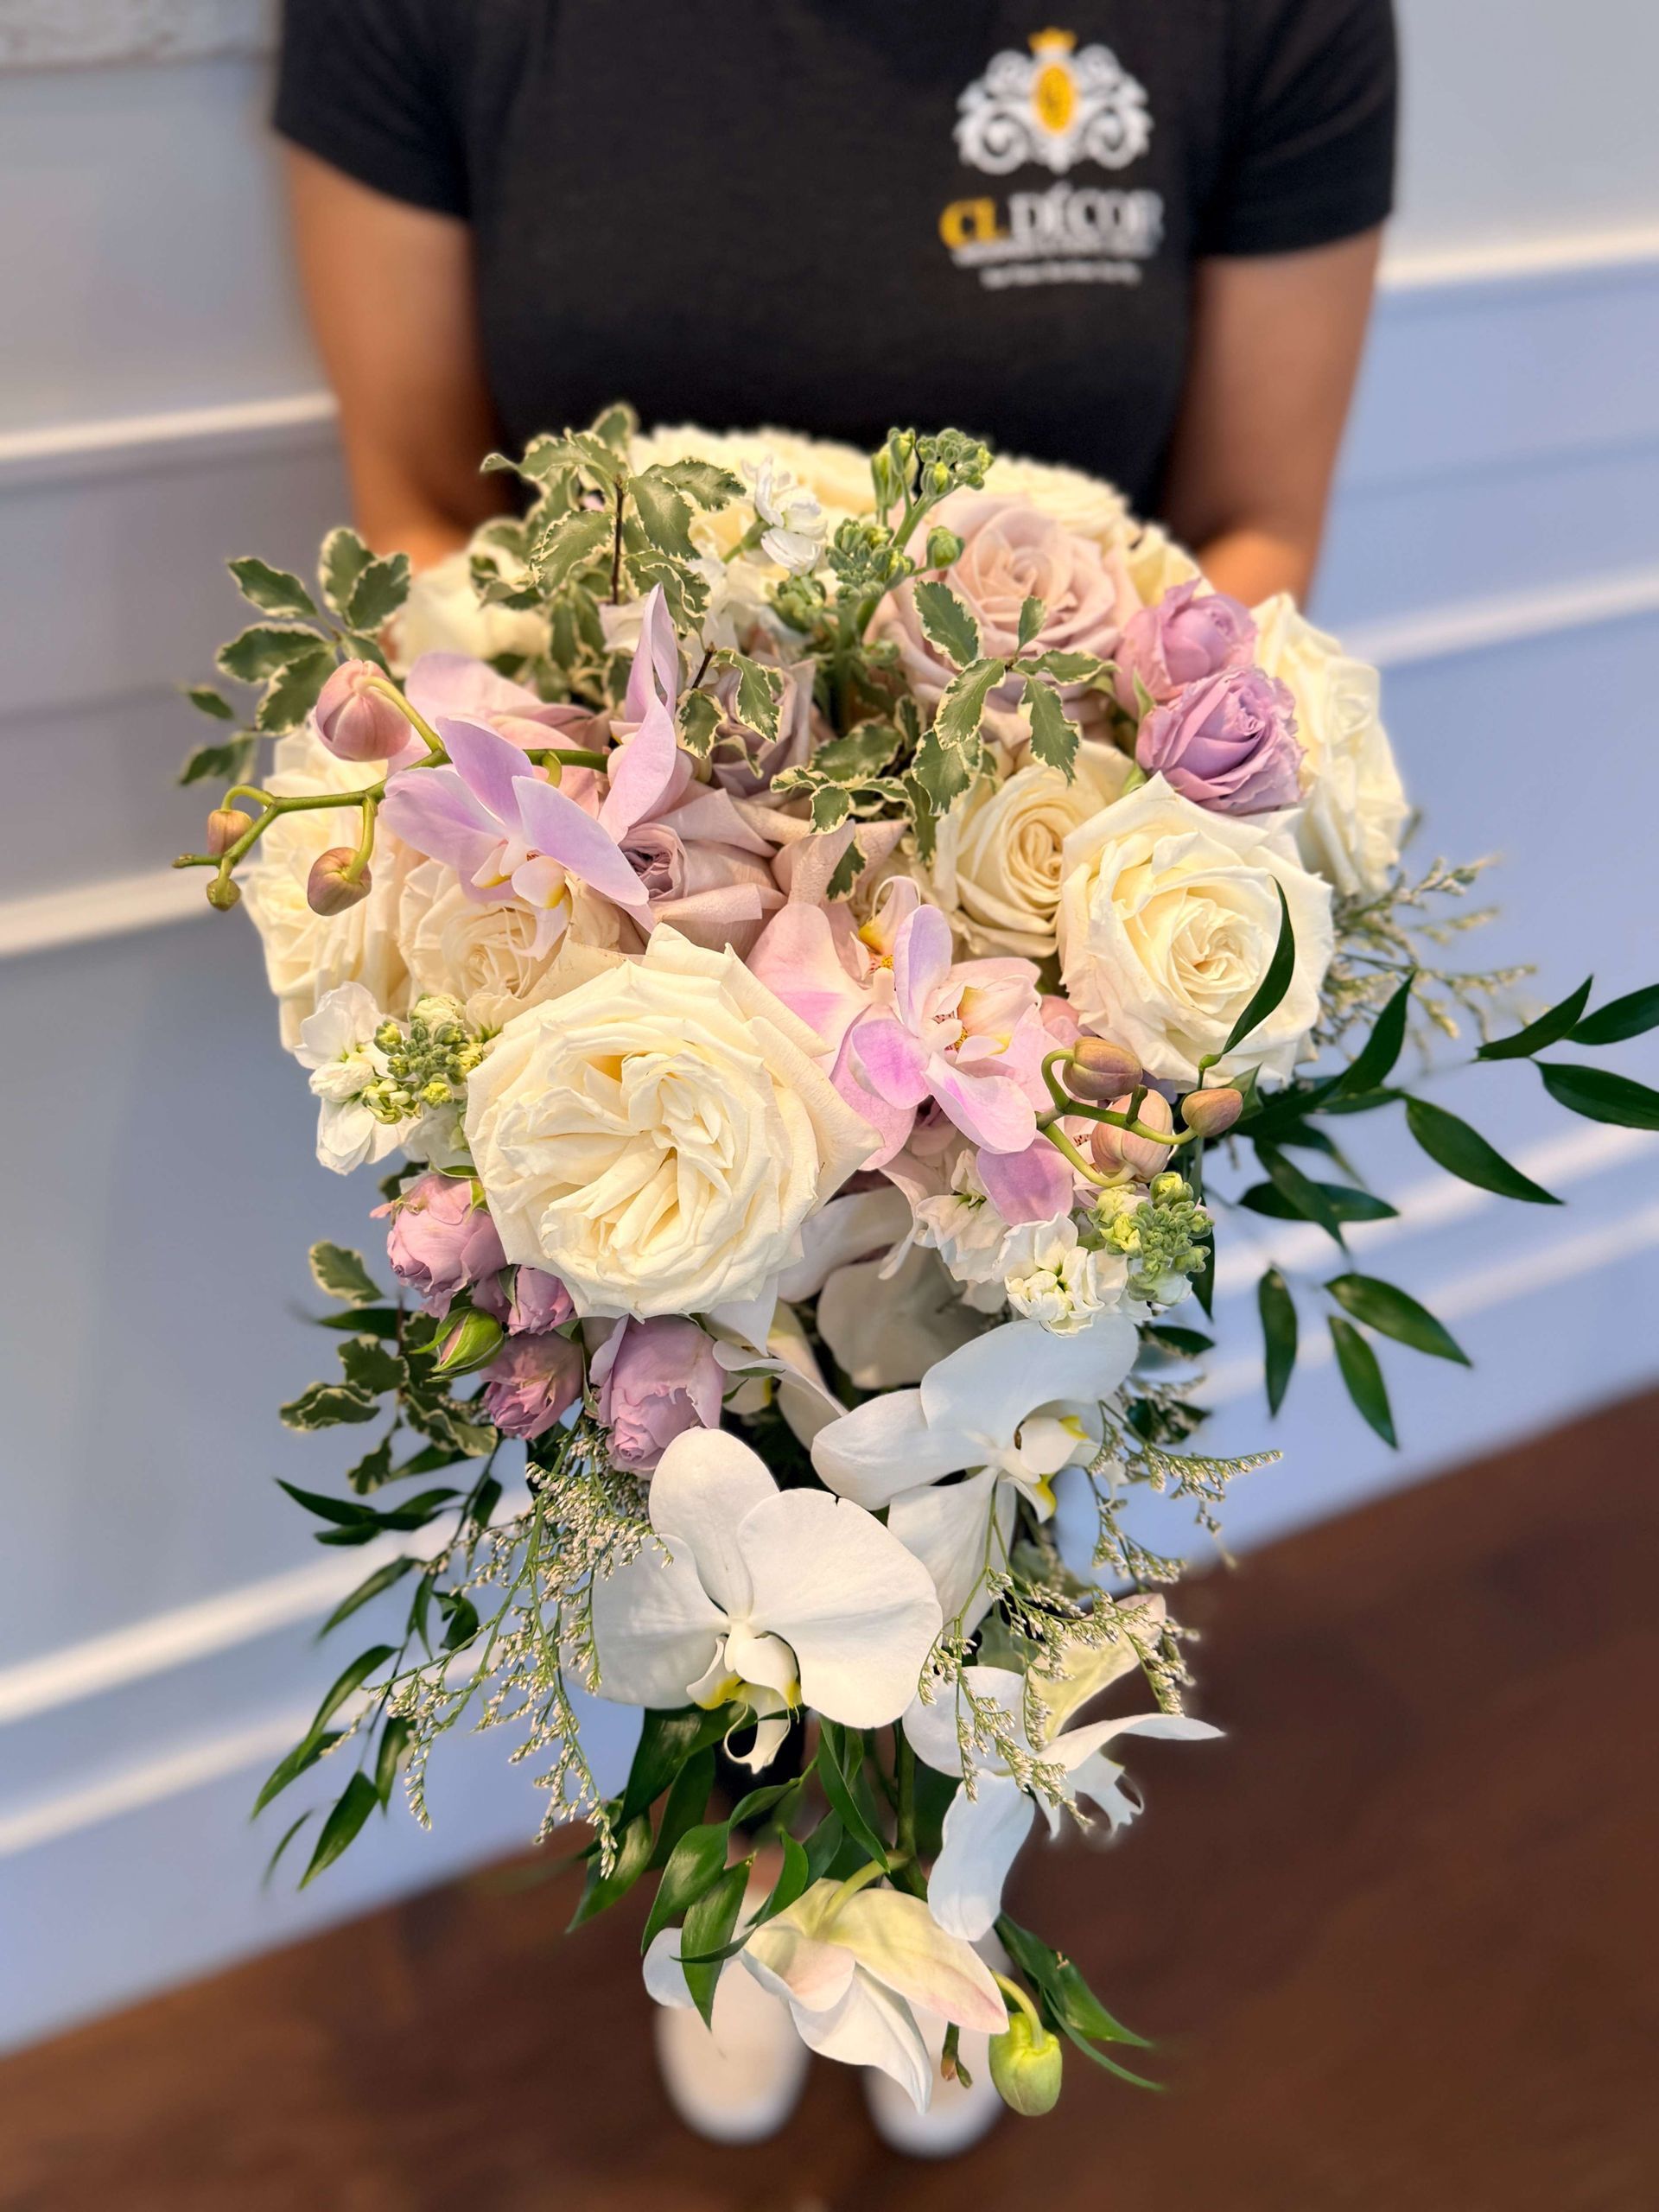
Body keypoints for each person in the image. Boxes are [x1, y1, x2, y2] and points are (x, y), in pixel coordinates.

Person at [273, 0, 1397, 2152]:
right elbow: (424, 506)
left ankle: (924, 1906)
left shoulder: (1276, 21)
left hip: (1027, 959)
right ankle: (747, 1880)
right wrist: (638, 918)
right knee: (680, 1467)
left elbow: (1251, 527)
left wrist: (1029, 929)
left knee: (973, 1459)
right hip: (616, 927)